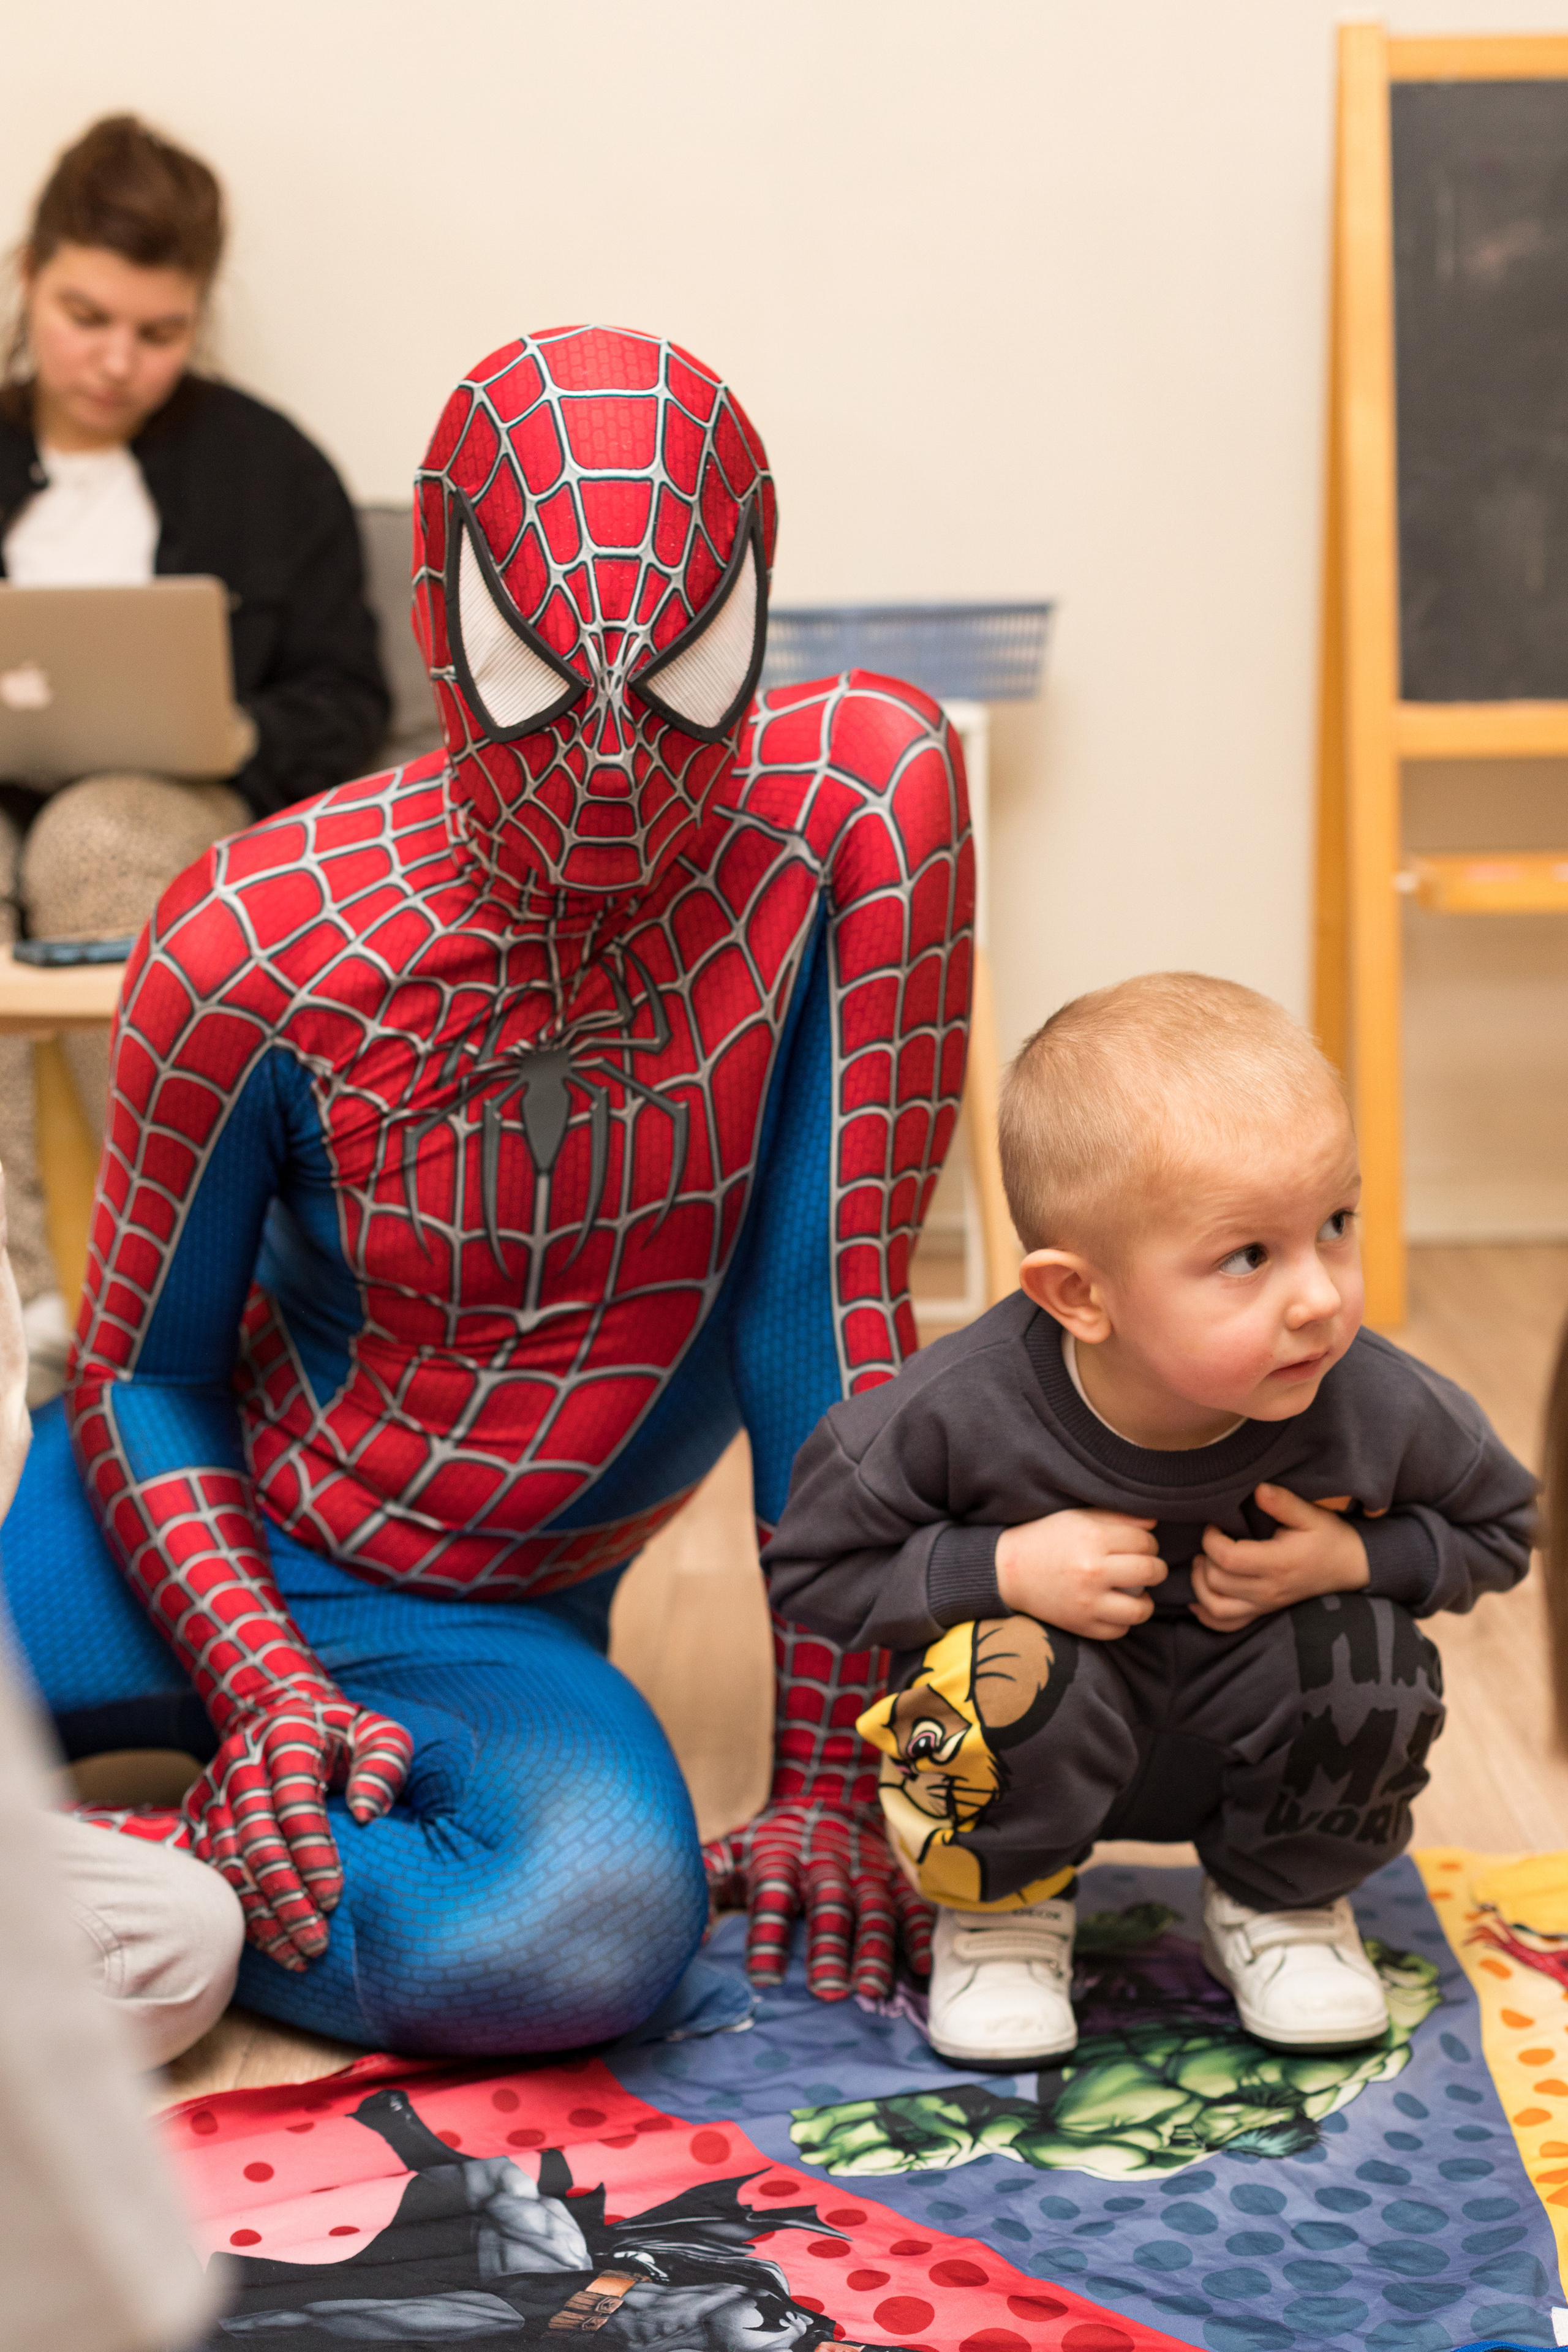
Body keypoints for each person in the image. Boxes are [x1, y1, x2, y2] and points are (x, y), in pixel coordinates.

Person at [0, 324, 970, 2055]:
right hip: (167, 1534)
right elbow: (149, 1379)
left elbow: (817, 1316)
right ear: (448, 616)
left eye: (678, 674)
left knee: (581, 1927)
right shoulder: (251, 936)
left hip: (480, 1618)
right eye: (546, 675)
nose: (611, 761)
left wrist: (830, 1777)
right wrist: (267, 1682)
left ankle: (181, 1886)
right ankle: (238, 1829)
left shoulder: (858, 808)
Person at [766, 971, 1536, 2066]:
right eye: (1248, 1257)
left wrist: (1355, 1556)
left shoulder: (1373, 1397)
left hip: (1260, 1728)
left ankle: (1282, 1905)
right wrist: (1003, 1569)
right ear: (1080, 1295)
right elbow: (810, 1568)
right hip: (1047, 1741)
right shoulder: (956, 1411)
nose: (1318, 1295)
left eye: (1334, 1224)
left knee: (1373, 1652)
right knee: (994, 1665)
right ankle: (1002, 1914)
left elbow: (1503, 1527)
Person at [0, 114, 388, 1398]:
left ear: (199, 320)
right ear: (28, 274)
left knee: (96, 838)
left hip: (183, 809)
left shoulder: (273, 474)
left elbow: (349, 703)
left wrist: (231, 734)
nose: (115, 362)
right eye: (85, 315)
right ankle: (22, 1300)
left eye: (157, 334)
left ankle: (162, 1296)